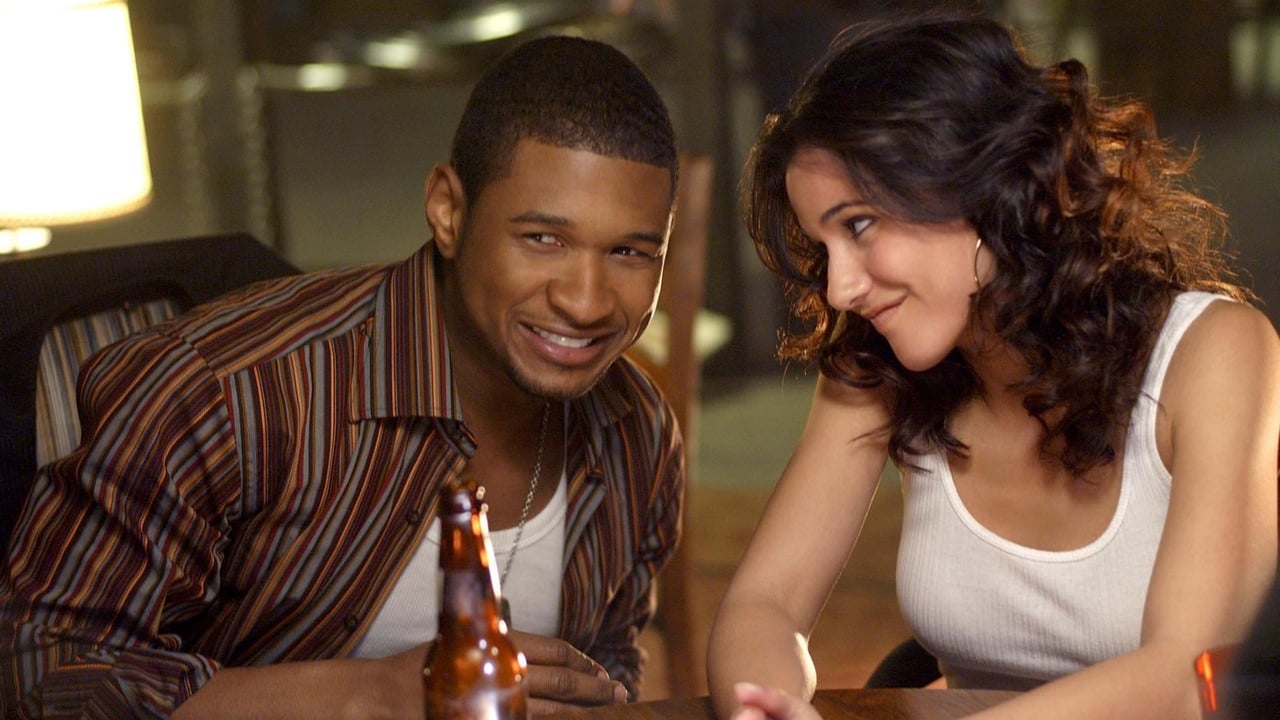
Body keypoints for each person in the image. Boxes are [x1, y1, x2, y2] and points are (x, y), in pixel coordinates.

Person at [1, 35, 685, 719]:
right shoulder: (227, 393)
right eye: (543, 239)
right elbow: (44, 670)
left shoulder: (639, 433)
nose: (586, 302)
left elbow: (607, 667)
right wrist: (373, 695)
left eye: (629, 252)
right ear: (448, 211)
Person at [707, 12, 1279, 720]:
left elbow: (1186, 681)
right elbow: (764, 604)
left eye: (859, 225)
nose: (839, 289)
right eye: (825, 250)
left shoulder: (1215, 353)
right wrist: (762, 708)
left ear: (982, 186)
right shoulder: (876, 366)